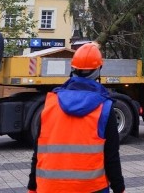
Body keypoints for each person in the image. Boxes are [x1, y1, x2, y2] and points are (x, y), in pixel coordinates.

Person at [28, 43, 126, 193]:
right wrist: (119, 189)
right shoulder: (104, 108)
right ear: (98, 70)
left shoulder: (50, 103)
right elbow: (111, 157)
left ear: (72, 69)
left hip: (49, 187)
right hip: (92, 188)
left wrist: (32, 187)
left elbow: (38, 151)